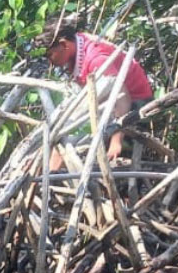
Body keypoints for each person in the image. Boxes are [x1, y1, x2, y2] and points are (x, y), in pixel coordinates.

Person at [36, 13, 153, 163]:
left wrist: (116, 140)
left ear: (64, 44)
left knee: (76, 135)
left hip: (135, 104)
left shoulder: (96, 58)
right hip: (110, 101)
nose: (50, 62)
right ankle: (52, 170)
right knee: (67, 128)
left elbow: (123, 98)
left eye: (50, 55)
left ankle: (53, 172)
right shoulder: (76, 46)